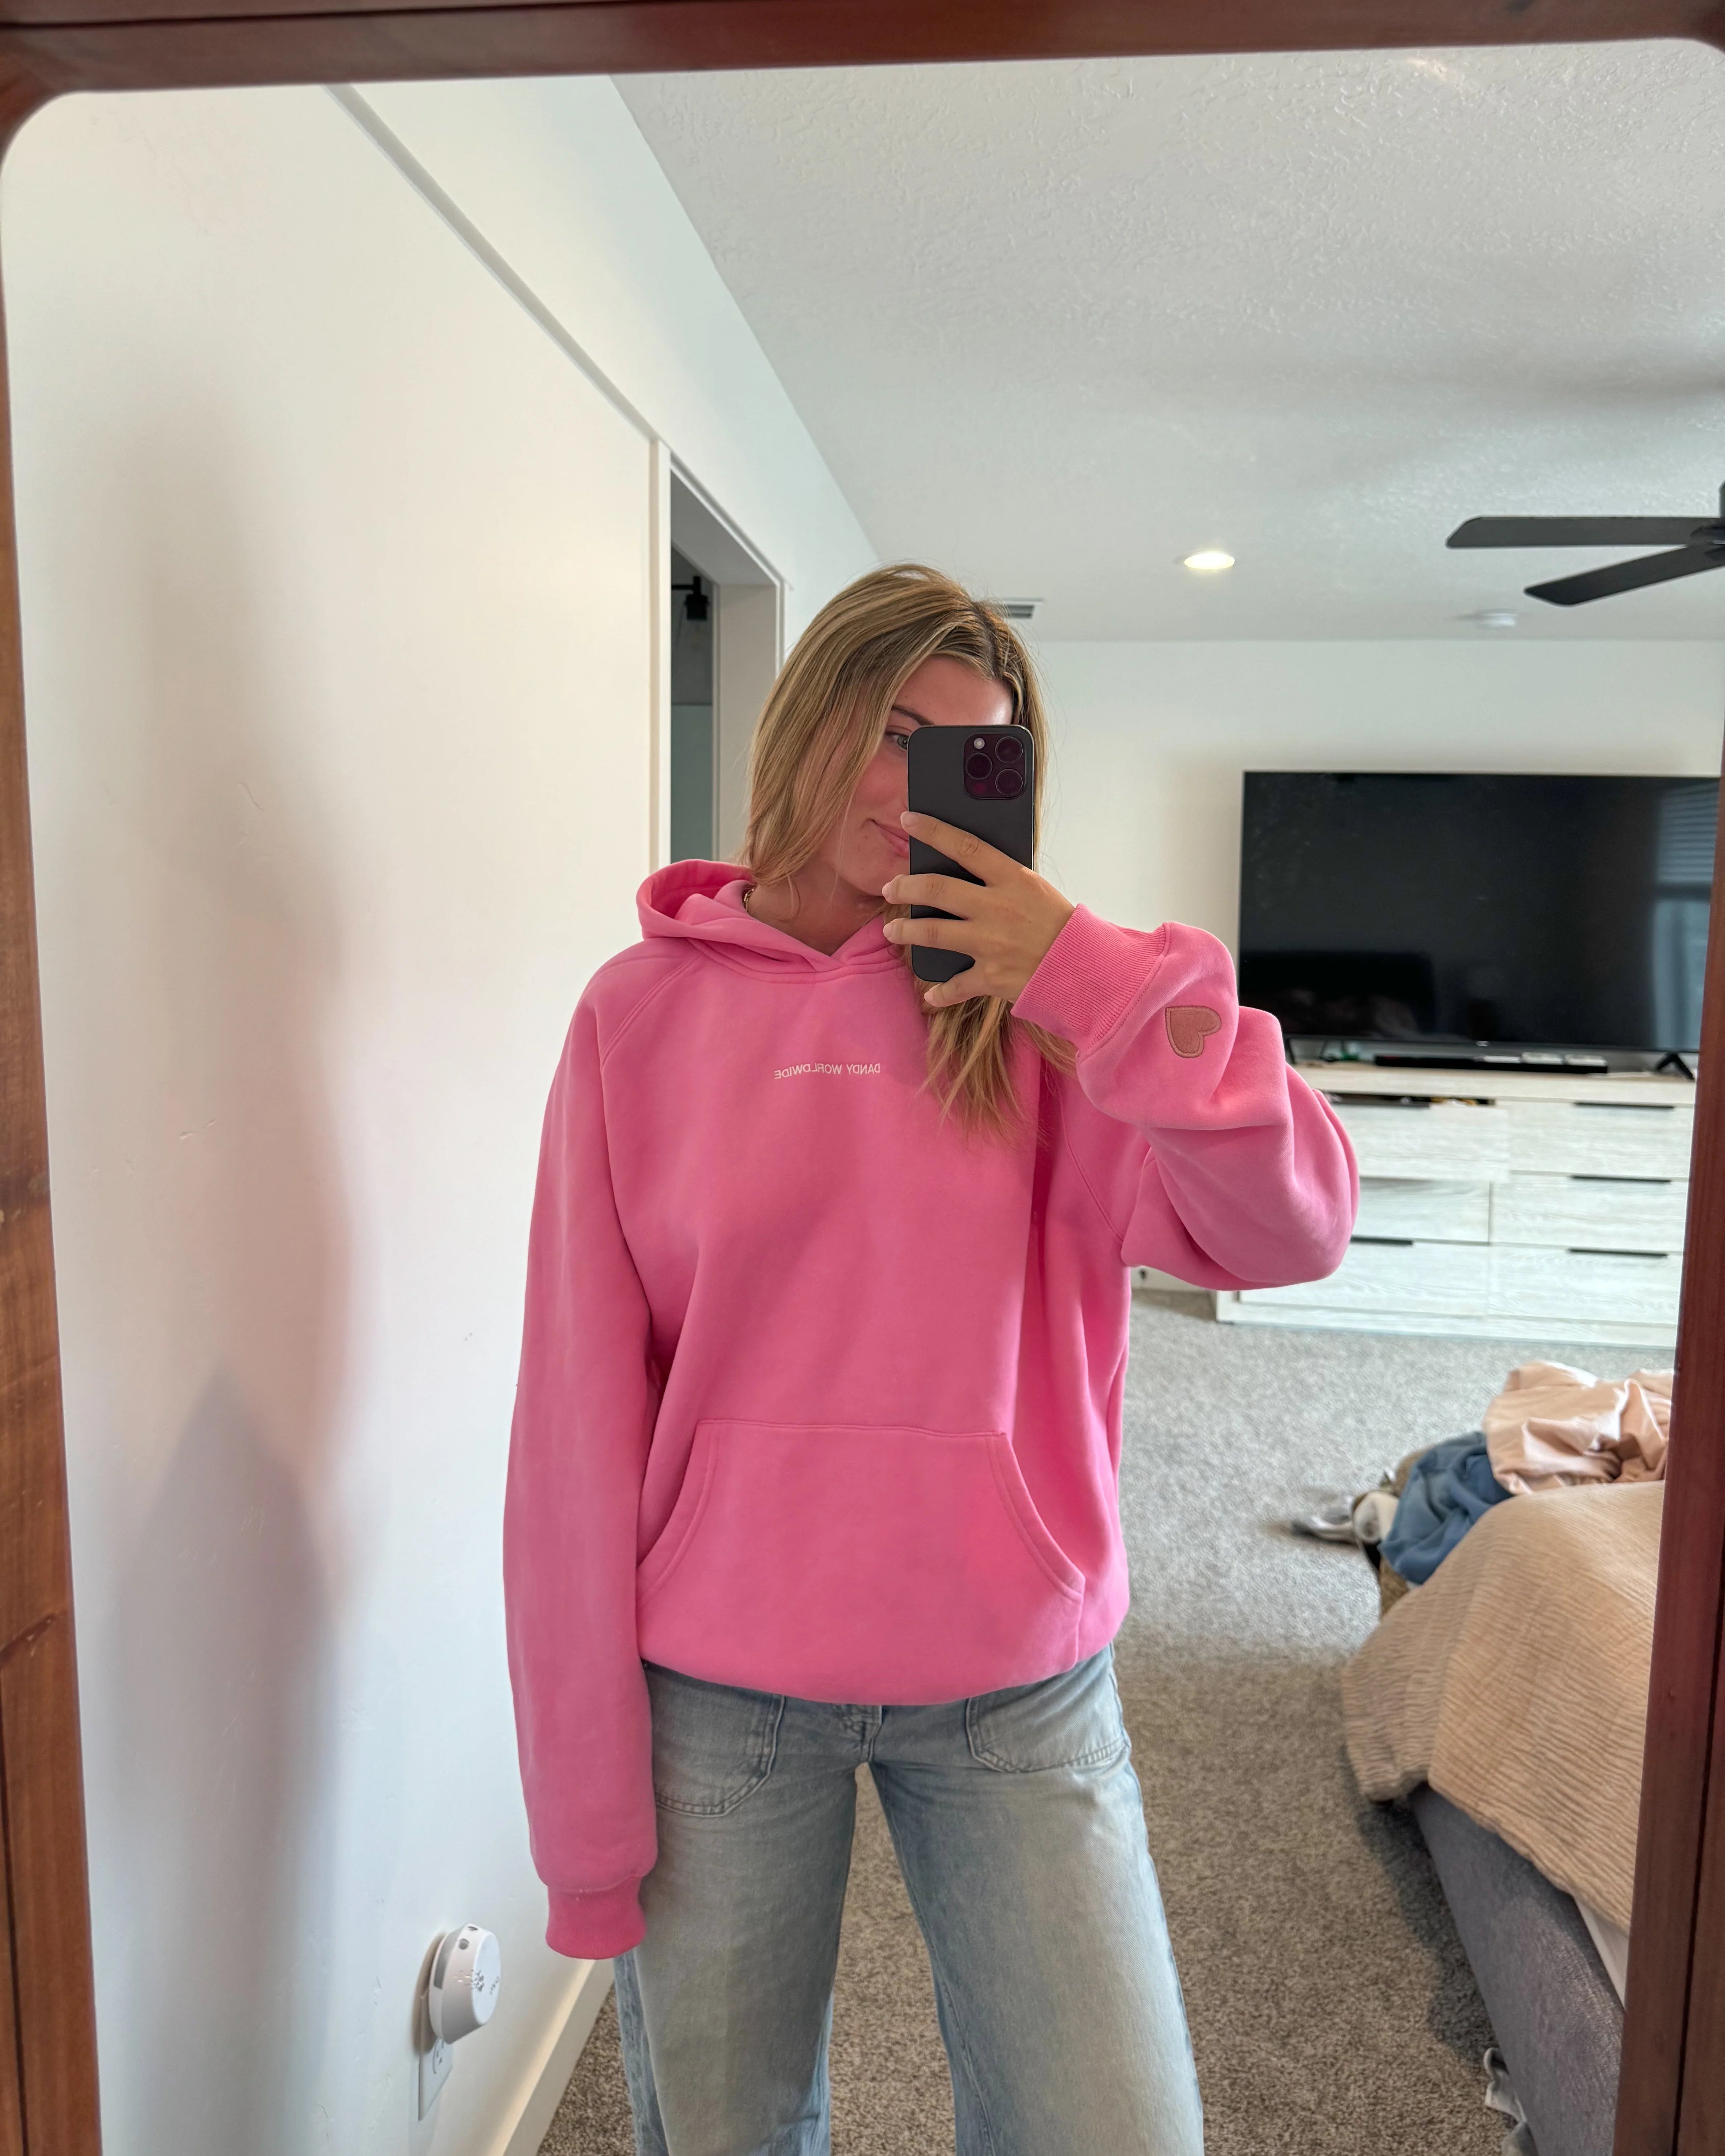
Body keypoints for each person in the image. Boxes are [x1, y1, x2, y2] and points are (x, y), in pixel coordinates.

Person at [504, 563, 1357, 2156]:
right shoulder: (636, 1017)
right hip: (723, 1691)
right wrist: (584, 1827)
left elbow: (1292, 1226)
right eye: (894, 732)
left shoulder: (1051, 1021)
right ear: (806, 718)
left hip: (1014, 1681)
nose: (918, 790)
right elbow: (571, 1425)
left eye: (974, 754)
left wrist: (1085, 974)